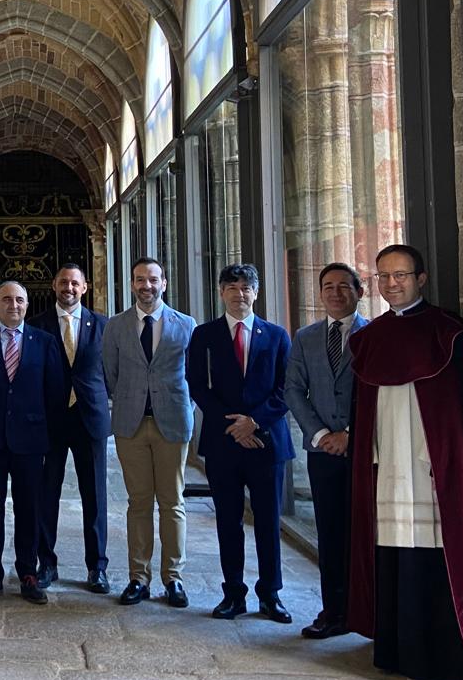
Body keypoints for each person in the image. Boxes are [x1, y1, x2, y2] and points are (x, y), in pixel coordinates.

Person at [347, 243, 463, 680]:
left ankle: (443, 659)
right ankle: (395, 651)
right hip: (388, 466)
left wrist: (440, 462)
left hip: (431, 471)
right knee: (392, 554)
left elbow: (455, 416)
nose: (392, 284)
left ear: (420, 279)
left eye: (401, 276)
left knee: (435, 554)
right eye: (384, 277)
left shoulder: (448, 335)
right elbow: (364, 411)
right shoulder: (369, 340)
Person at [188, 263, 294, 622]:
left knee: (268, 520)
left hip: (267, 443)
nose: (239, 294)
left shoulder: (277, 335)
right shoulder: (204, 335)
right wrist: (233, 426)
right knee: (228, 521)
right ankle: (233, 592)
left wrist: (255, 423)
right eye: (232, 288)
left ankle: (271, 594)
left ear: (256, 292)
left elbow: (286, 388)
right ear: (221, 293)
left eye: (246, 287)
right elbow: (197, 385)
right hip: (223, 442)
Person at [102, 257, 196, 607]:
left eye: (153, 279)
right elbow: (109, 374)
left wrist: (186, 405)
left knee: (173, 503)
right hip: (131, 424)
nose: (147, 285)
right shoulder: (115, 326)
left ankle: (174, 578)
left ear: (164, 283)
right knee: (138, 503)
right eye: (140, 279)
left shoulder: (186, 324)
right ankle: (138, 578)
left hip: (172, 422)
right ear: (131, 284)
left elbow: (196, 375)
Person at [283, 263, 367, 639]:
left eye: (343, 286)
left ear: (359, 291)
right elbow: (293, 390)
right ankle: (333, 611)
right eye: (327, 286)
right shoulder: (305, 336)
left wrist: (349, 433)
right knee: (330, 533)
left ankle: (366, 610)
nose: (335, 293)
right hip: (321, 451)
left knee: (365, 532)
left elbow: (377, 391)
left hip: (363, 448)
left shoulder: (374, 334)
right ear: (320, 293)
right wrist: (319, 434)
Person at [0, 281, 66, 604]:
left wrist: (49, 436)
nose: (13, 305)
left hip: (30, 440)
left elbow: (55, 393)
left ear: (27, 306)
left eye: (19, 300)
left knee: (29, 509)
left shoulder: (44, 342)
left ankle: (29, 573)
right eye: (6, 299)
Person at [32, 263, 112, 593]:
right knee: (45, 494)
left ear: (85, 287)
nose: (69, 287)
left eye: (75, 283)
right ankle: (46, 563)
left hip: (89, 419)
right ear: (54, 285)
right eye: (63, 281)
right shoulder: (37, 325)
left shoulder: (104, 326)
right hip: (49, 420)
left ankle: (97, 567)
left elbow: (112, 372)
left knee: (95, 495)